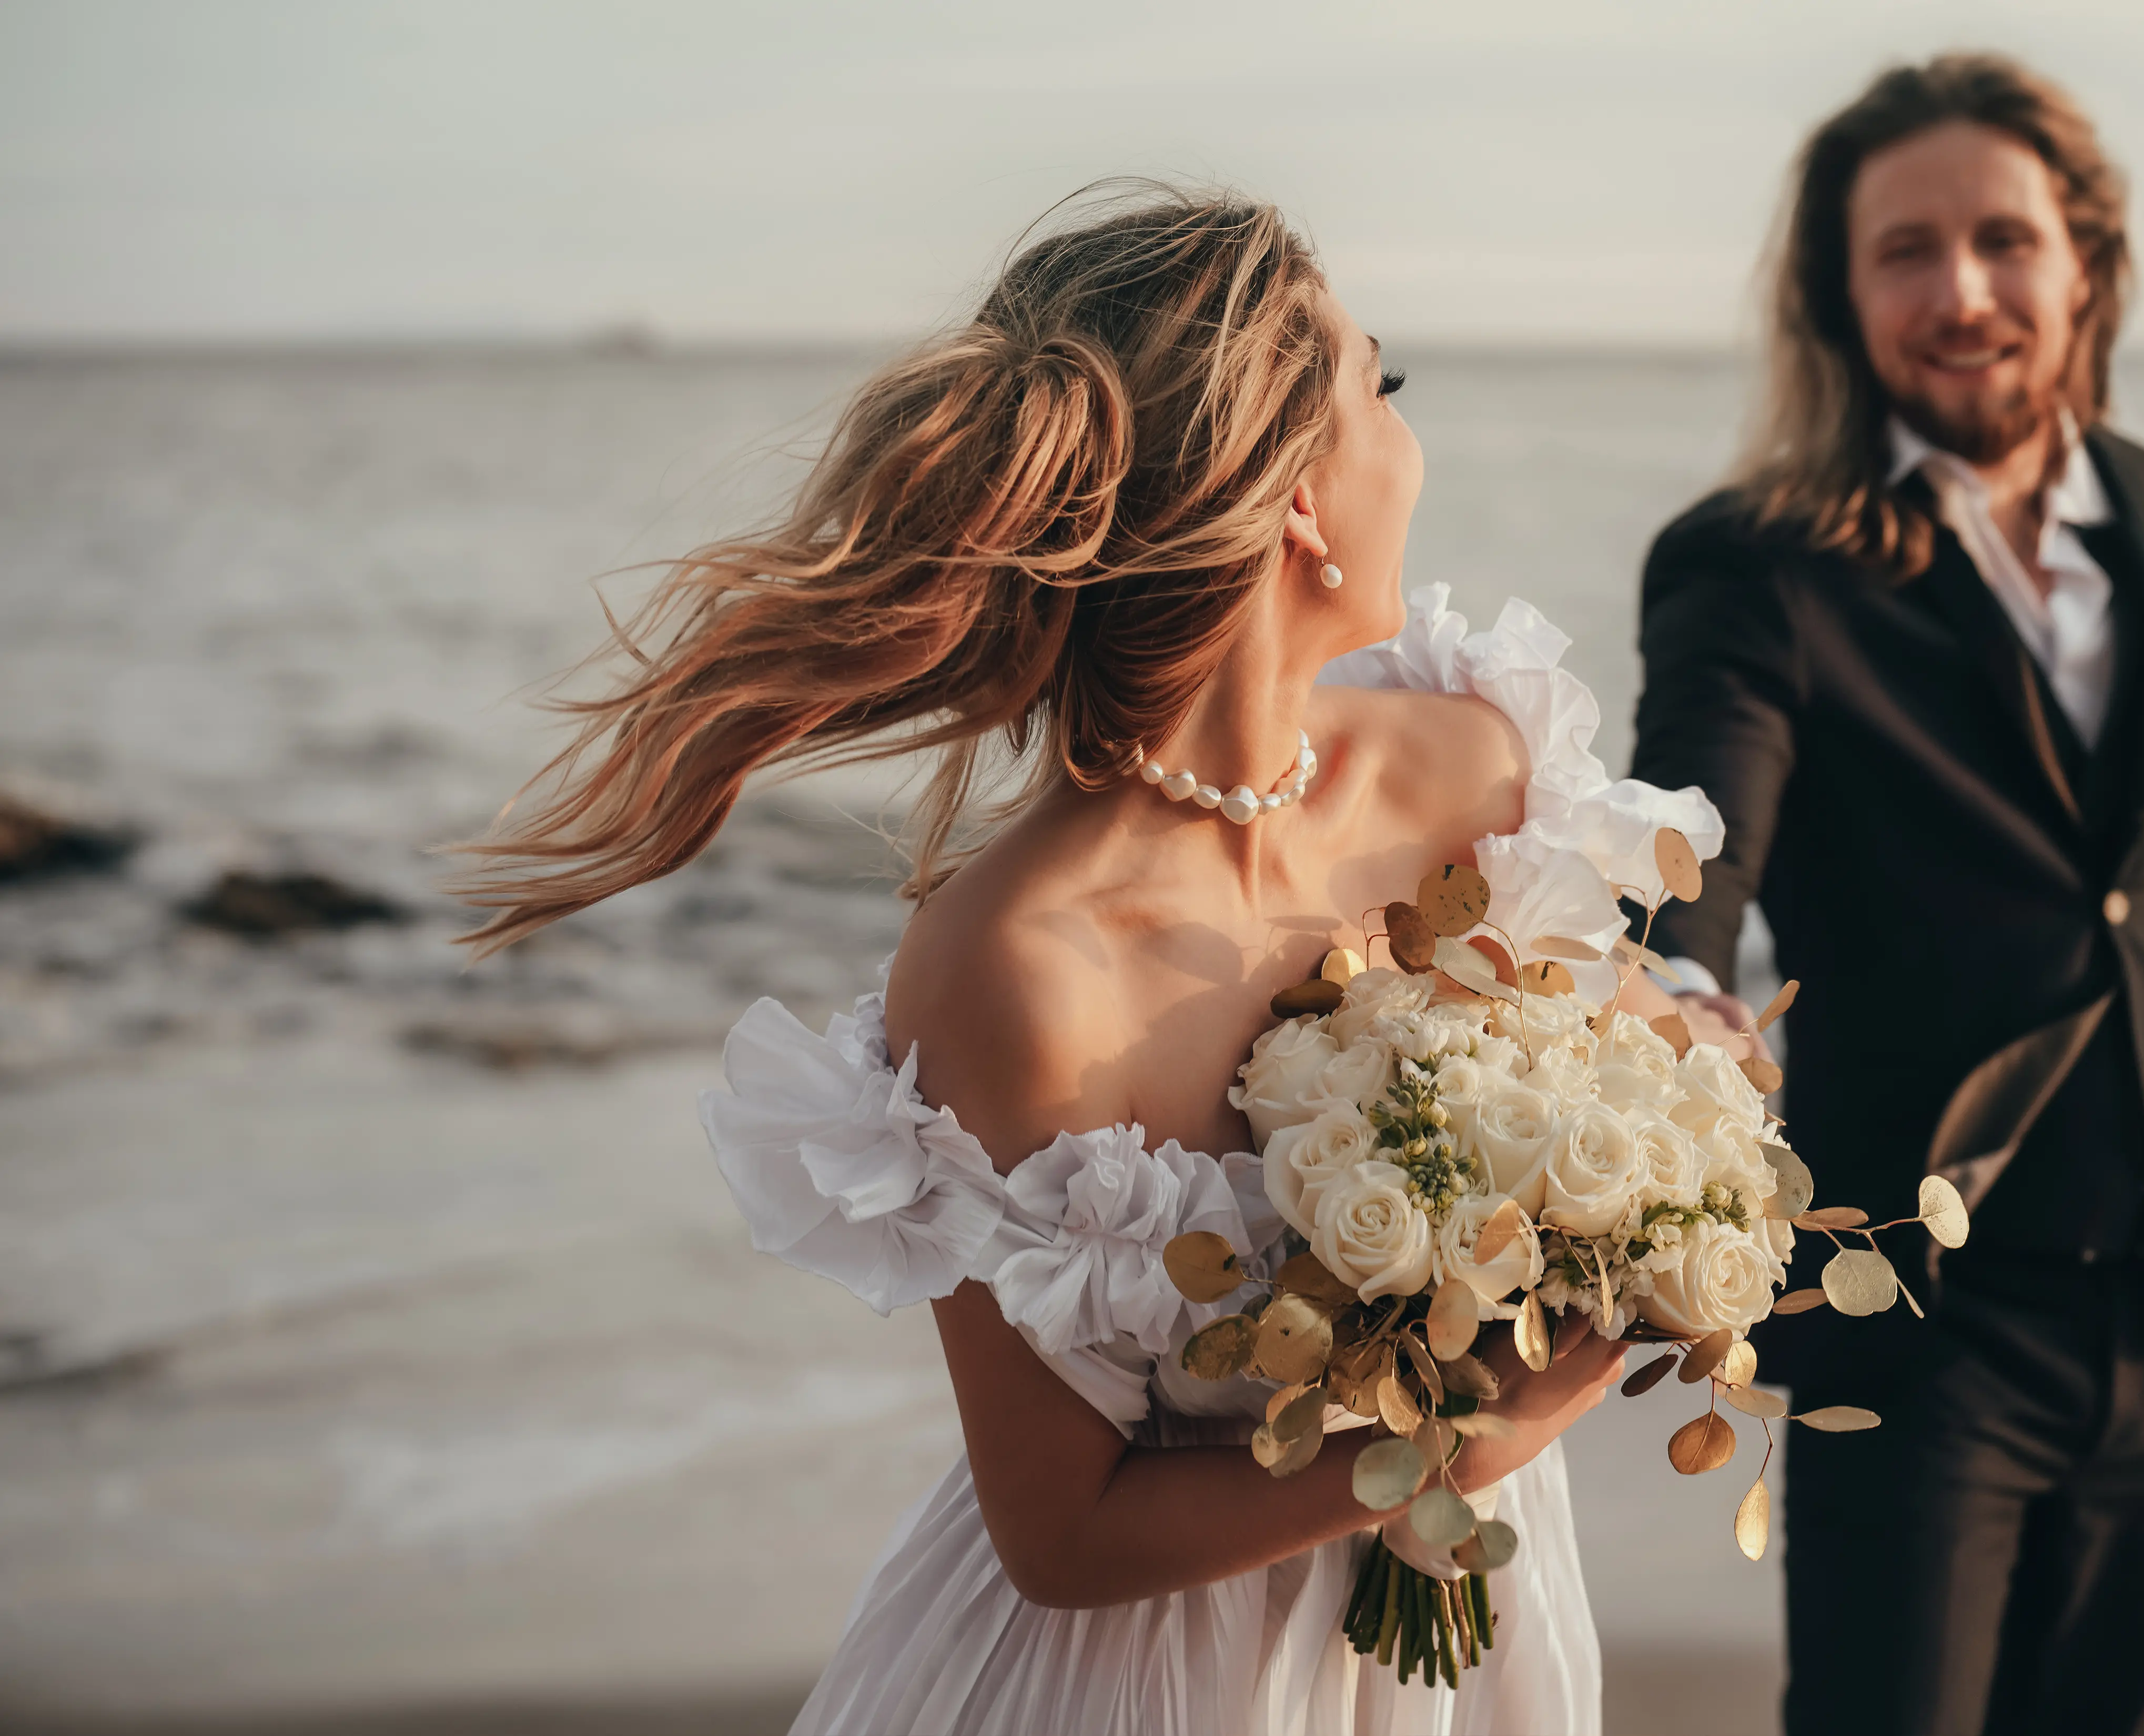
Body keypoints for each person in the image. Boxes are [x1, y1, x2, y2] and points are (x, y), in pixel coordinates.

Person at [452, 185, 1725, 1735]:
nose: (1407, 446)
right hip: (1144, 1684)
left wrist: (1682, 1164)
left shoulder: (1474, 771)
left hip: (1468, 1645)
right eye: (1376, 394)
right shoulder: (1013, 968)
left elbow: (1627, 1060)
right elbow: (1059, 1536)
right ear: (1304, 505)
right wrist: (1453, 1446)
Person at [1627, 55, 2144, 1736]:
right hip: (1920, 1320)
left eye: (2003, 239)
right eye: (1903, 250)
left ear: (2082, 260)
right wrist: (1672, 987)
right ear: (1837, 289)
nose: (1960, 292)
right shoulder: (1758, 558)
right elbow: (1697, 827)